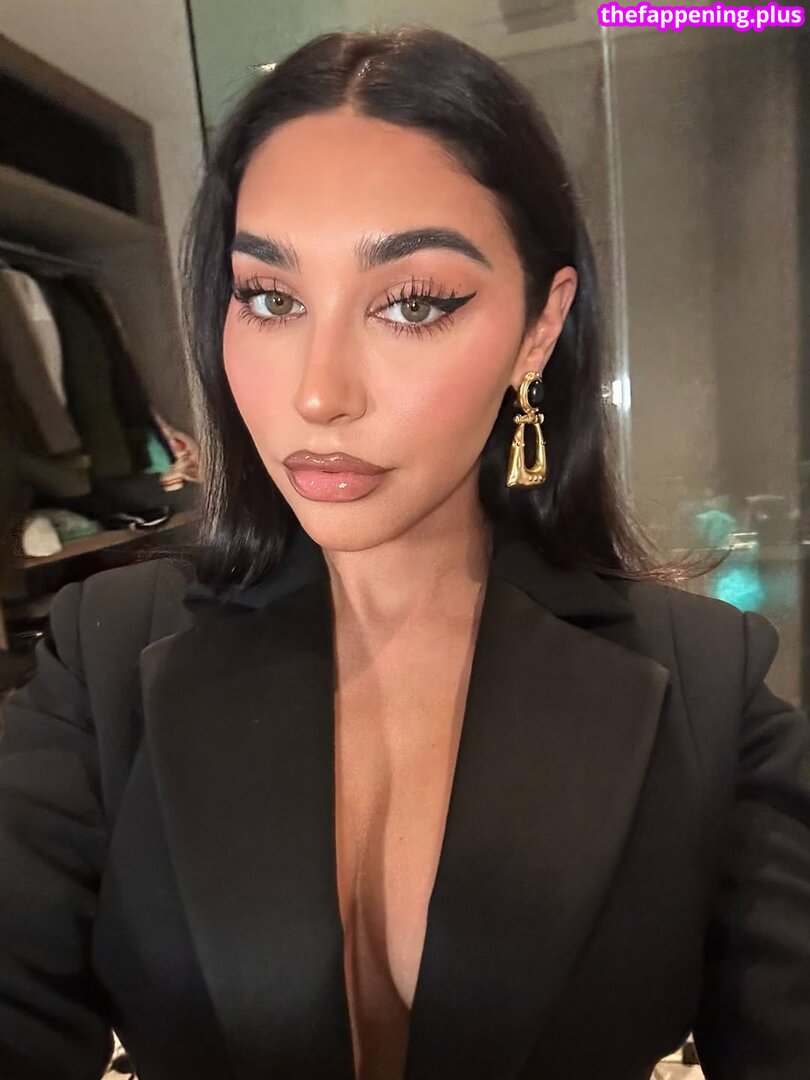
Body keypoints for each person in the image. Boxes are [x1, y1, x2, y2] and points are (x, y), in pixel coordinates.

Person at [1, 24, 808, 1080]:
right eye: (271, 298)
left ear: (538, 329)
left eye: (413, 303)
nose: (319, 394)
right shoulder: (103, 653)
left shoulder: (706, 682)